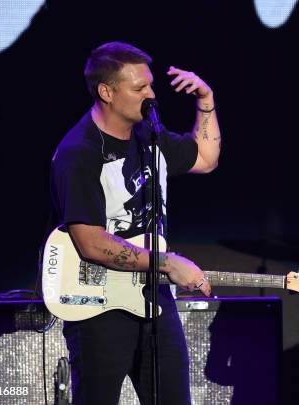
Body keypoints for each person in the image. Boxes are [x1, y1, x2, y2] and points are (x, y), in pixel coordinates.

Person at [50, 41, 221, 404]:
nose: (151, 95)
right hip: (98, 305)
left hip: (152, 296)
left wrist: (205, 101)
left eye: (151, 85)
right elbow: (91, 242)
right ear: (107, 92)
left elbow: (205, 158)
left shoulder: (147, 135)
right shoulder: (78, 153)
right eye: (139, 88)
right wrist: (169, 263)